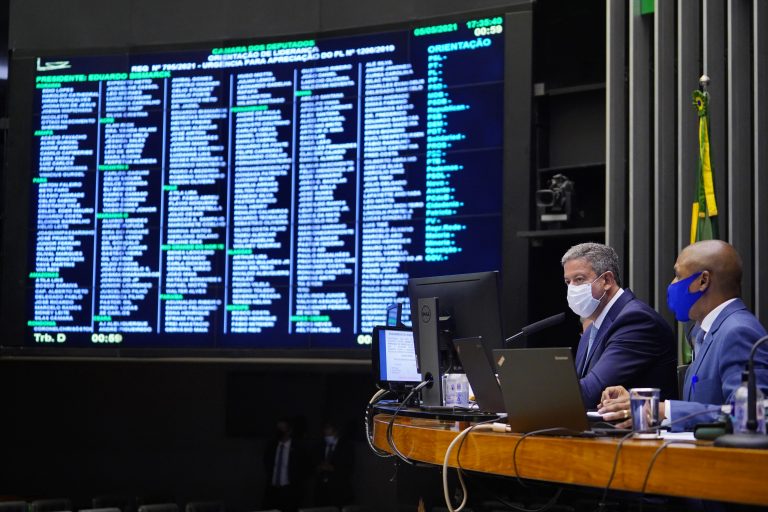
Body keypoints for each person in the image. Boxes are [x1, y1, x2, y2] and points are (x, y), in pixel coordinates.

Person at [599, 240, 768, 431]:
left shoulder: (738, 332)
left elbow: (750, 415)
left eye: (678, 276)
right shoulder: (705, 333)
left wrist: (663, 410)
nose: (672, 284)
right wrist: (641, 404)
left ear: (703, 281)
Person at [561, 242, 678, 407]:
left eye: (579, 279)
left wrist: (528, 395)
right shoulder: (591, 330)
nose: (572, 288)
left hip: (641, 431)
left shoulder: (636, 321)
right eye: (568, 282)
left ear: (607, 280)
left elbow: (589, 394)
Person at [262, 417, 310, 512]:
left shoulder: (299, 448)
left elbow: (305, 468)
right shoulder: (271, 446)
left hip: (290, 491)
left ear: (289, 431)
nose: (279, 431)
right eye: (278, 428)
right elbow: (267, 463)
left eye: (282, 428)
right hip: (273, 490)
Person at [313, 421, 354, 507]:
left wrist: (332, 468)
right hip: (322, 490)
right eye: (325, 433)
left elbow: (348, 467)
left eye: (329, 433)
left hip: (338, 489)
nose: (326, 435)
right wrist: (319, 468)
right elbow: (314, 462)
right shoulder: (321, 446)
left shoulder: (346, 447)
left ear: (336, 432)